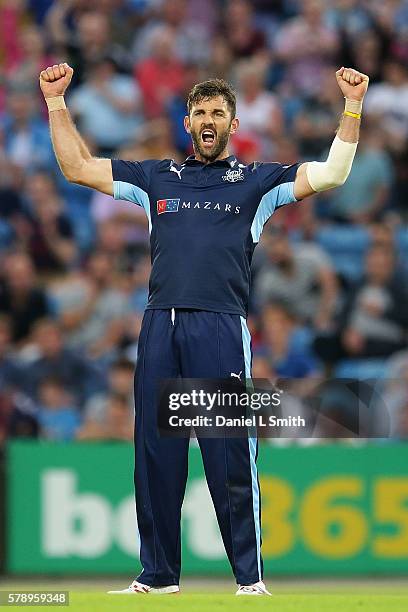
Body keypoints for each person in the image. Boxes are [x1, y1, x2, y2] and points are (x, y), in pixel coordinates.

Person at [39, 60, 369, 596]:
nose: (209, 117)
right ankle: (158, 576)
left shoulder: (259, 182)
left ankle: (249, 580)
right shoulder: (155, 177)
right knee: (154, 451)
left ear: (233, 125)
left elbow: (331, 173)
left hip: (219, 326)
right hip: (159, 323)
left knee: (229, 449)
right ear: (188, 123)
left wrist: (352, 107)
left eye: (219, 111)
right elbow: (77, 167)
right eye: (200, 111)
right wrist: (55, 102)